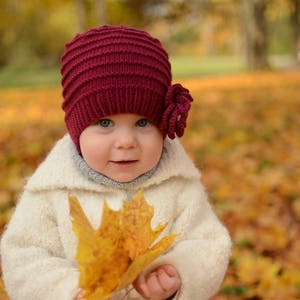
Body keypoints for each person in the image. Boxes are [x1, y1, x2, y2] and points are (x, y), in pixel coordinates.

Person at [1, 25, 231, 300]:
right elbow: (24, 256)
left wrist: (178, 275)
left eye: (142, 122)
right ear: (76, 130)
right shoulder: (51, 191)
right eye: (105, 123)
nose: (126, 141)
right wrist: (67, 291)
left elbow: (207, 243)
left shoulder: (179, 186)